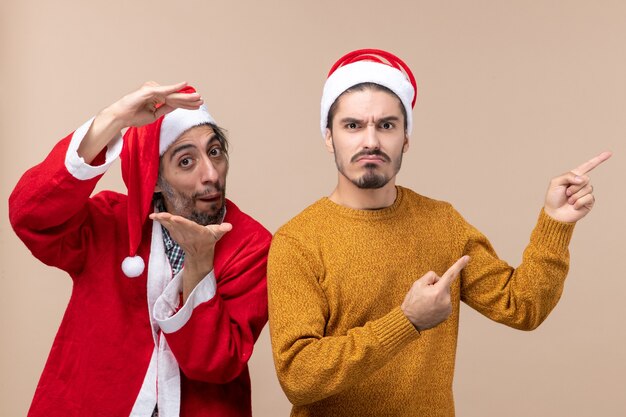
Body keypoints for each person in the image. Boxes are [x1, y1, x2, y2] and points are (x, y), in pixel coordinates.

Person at [267, 49, 612, 417]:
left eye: (386, 125)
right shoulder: (297, 242)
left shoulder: (441, 223)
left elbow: (523, 307)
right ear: (329, 137)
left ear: (406, 138)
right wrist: (407, 321)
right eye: (353, 126)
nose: (371, 141)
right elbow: (298, 377)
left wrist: (555, 222)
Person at [9, 82, 272, 417]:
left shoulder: (251, 244)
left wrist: (199, 265)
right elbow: (30, 215)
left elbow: (214, 363)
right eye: (187, 161)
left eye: (215, 152)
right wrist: (115, 117)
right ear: (156, 179)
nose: (210, 174)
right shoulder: (108, 223)